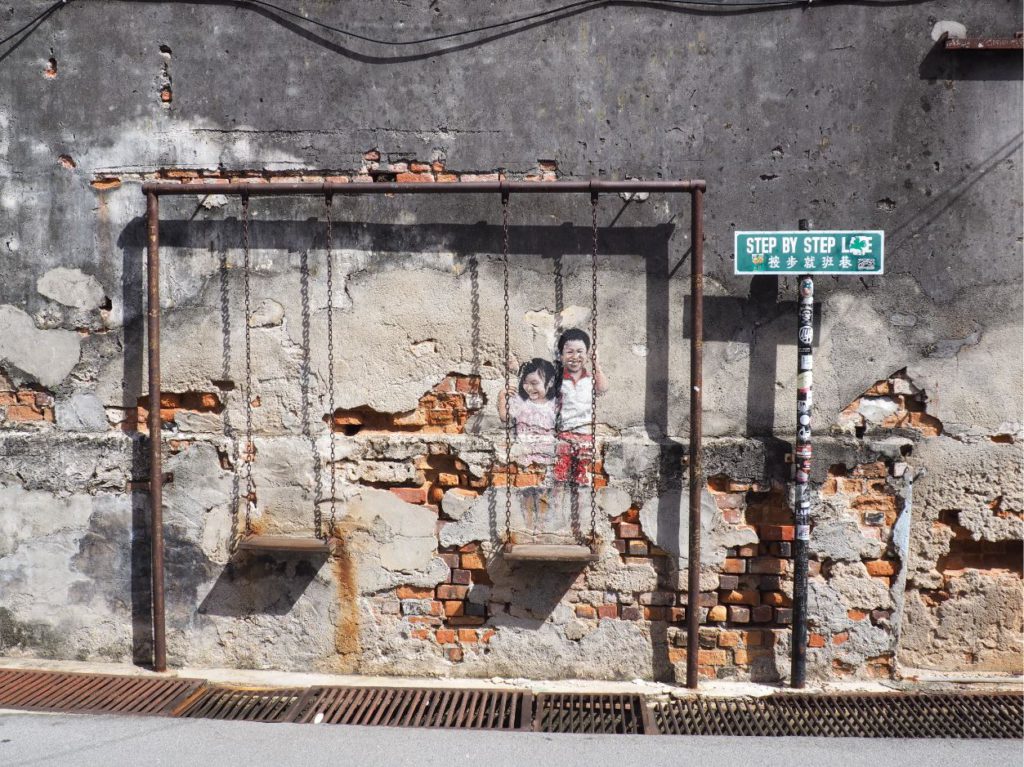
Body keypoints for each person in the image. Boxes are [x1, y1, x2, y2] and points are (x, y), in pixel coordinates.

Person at [552, 328, 609, 485]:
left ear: (587, 354)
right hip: (564, 435)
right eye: (569, 352)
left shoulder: (590, 379)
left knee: (582, 478)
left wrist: (597, 364)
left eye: (580, 352)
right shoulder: (559, 379)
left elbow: (603, 388)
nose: (575, 357)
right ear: (561, 354)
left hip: (585, 435)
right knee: (559, 476)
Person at [496, 357, 558, 468]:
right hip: (523, 458)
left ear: (551, 382)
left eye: (534, 383)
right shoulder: (520, 403)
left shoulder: (554, 405)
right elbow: (504, 417)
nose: (529, 388)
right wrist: (502, 398)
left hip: (548, 458)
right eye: (525, 383)